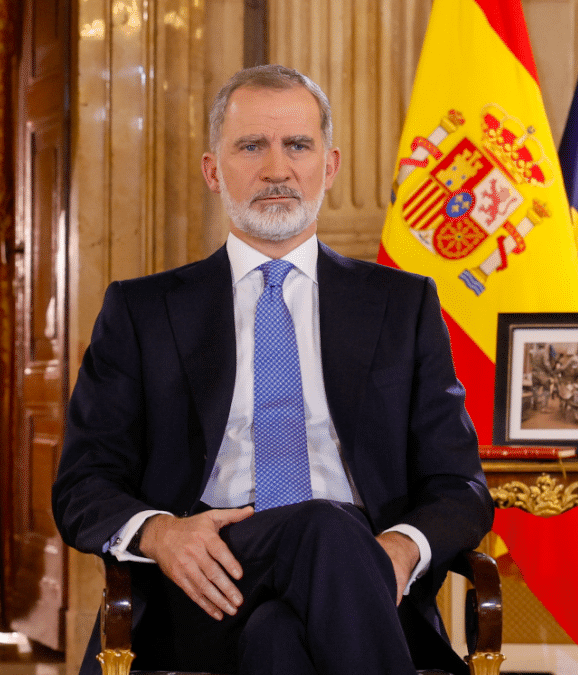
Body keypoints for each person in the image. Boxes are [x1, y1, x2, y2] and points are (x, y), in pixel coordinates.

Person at [52, 65, 493, 675]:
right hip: (202, 589)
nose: (277, 169)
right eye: (252, 146)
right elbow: (82, 484)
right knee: (320, 527)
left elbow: (462, 486)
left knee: (280, 639)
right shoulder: (143, 310)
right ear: (213, 170)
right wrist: (160, 534)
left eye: (298, 146)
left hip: (362, 588)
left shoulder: (401, 306)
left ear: (330, 166)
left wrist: (399, 547)